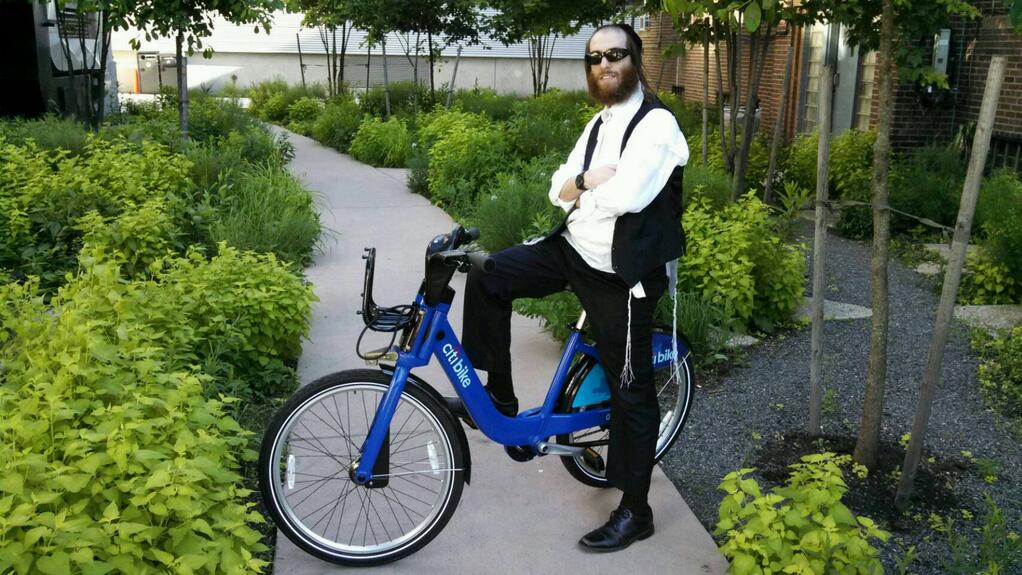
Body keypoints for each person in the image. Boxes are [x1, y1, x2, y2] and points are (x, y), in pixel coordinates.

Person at [458, 23, 688, 552]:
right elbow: (557, 189)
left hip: (620, 274)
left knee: (630, 389)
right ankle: (499, 395)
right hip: (573, 249)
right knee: (489, 274)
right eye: (594, 58)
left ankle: (636, 510)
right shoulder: (600, 122)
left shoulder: (656, 125)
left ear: (636, 59)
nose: (603, 64)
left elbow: (627, 197)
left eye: (614, 54)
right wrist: (585, 182)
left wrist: (584, 190)